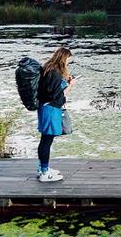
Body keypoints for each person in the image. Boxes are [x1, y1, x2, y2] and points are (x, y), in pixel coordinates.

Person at [36, 47, 75, 182]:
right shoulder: (55, 72)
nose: (68, 64)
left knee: (45, 139)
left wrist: (64, 82)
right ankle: (44, 173)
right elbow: (56, 96)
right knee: (47, 140)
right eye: (68, 61)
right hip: (51, 109)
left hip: (45, 108)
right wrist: (70, 86)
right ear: (63, 59)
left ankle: (42, 168)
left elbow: (50, 90)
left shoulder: (48, 68)